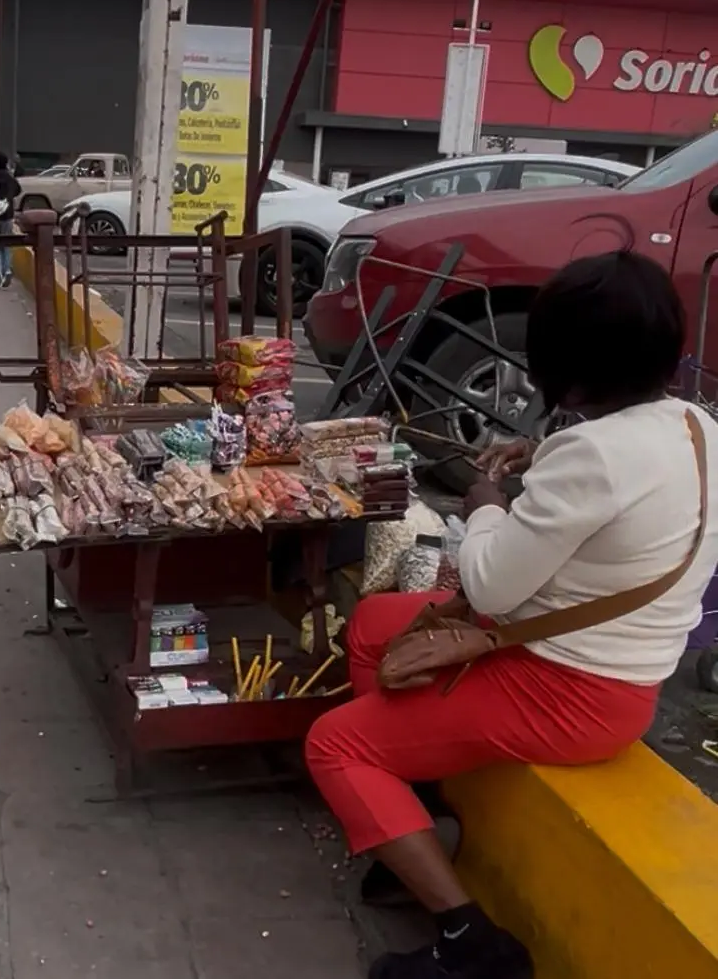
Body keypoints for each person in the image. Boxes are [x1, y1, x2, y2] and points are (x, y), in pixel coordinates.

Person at [305, 250, 718, 979]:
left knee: (334, 744)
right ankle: (412, 805)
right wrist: (541, 464)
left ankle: (470, 943)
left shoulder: (592, 453)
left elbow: (490, 586)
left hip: (571, 689)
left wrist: (486, 503)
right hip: (606, 662)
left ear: (561, 358)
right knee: (376, 625)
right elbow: (614, 514)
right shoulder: (693, 423)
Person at [0, 153, 20, 289]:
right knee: (6, 245)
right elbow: (18, 190)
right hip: (8, 214)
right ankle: (7, 269)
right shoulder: (10, 178)